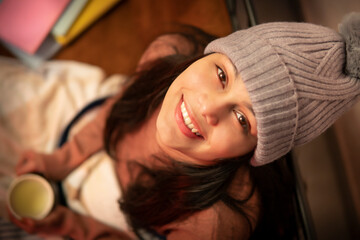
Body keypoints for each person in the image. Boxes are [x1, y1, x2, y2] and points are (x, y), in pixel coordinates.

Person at [8, 13, 360, 240]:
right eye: (221, 74)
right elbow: (119, 110)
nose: (206, 106)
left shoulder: (213, 223)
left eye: (242, 119)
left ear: (252, 152)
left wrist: (68, 226)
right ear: (208, 56)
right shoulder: (167, 55)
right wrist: (60, 160)